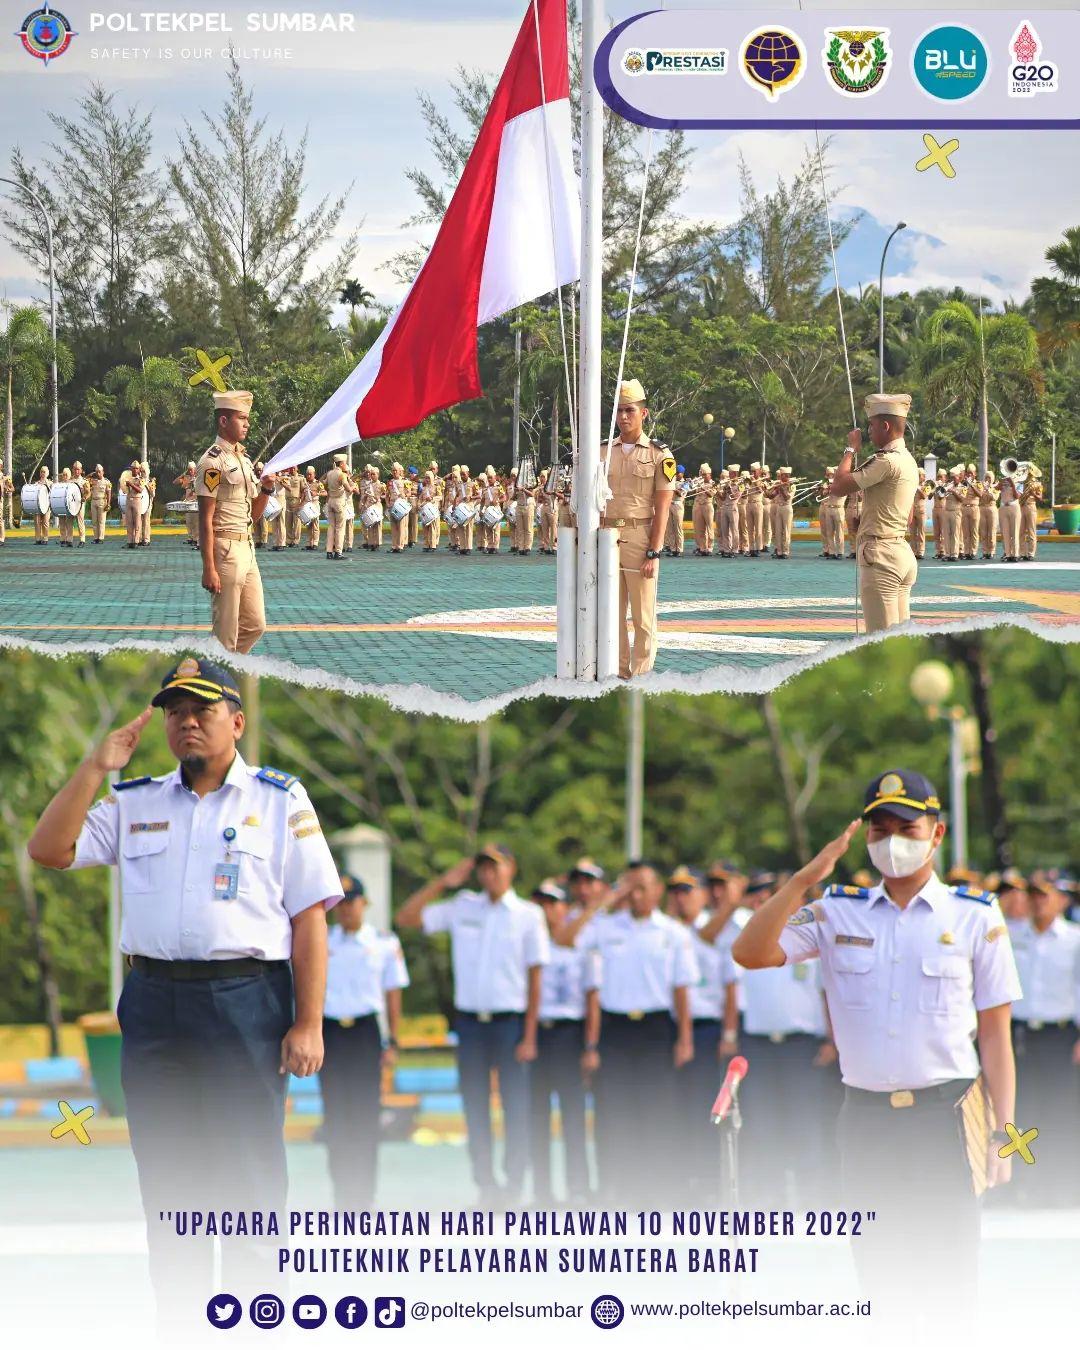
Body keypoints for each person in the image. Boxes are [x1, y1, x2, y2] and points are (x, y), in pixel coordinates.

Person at [26, 657, 342, 1329]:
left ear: (237, 720)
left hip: (245, 1003)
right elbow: (49, 850)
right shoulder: (133, 799)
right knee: (169, 1181)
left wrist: (308, 1022)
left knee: (250, 1177)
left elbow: (309, 917)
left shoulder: (280, 799)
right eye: (174, 712)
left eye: (200, 710)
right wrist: (92, 768)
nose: (186, 722)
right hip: (153, 1004)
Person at [733, 769, 1021, 1326]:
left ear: (936, 835)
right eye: (879, 829)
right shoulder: (835, 912)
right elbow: (749, 952)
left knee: (950, 1273)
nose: (893, 841)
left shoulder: (975, 916)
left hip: (950, 1114)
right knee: (878, 1273)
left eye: (906, 827)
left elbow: (995, 1037)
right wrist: (804, 879)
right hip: (864, 1118)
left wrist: (1006, 1139)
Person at [396, 843, 549, 1205]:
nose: (489, 874)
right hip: (471, 1025)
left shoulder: (528, 915)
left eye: (496, 866)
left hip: (510, 1023)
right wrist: (442, 882)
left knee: (515, 1106)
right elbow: (406, 918)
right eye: (483, 867)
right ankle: (486, 1186)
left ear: (511, 868)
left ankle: (513, 1186)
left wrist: (530, 1035)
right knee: (475, 1106)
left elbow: (535, 979)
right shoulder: (463, 905)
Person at [556, 862, 697, 1208]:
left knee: (656, 1112)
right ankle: (616, 1191)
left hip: (655, 1028)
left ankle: (657, 1193)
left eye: (643, 887)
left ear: (658, 891)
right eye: (630, 888)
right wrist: (601, 902)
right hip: (615, 1029)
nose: (636, 895)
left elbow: (682, 990)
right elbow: (564, 939)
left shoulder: (672, 932)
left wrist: (685, 1038)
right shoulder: (605, 926)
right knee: (613, 1114)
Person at [320, 873, 408, 1208]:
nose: (345, 909)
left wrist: (393, 1040)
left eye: (351, 901)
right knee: (336, 1115)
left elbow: (392, 994)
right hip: (331, 1032)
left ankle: (364, 1196)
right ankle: (342, 1194)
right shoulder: (324, 940)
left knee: (365, 1115)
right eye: (339, 902)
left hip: (365, 1033)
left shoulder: (384, 942)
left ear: (364, 904)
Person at [1006, 870, 1080, 1207]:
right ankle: (1021, 1184)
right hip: (1021, 1033)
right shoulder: (1013, 935)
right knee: (1021, 1111)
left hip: (1060, 1035)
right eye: (1033, 895)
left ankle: (1059, 1183)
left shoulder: (1074, 939)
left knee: (1060, 1111)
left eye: (1045, 895)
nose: (1037, 901)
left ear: (1063, 900)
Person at [667, 866, 738, 1202]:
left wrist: (727, 1033)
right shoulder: (668, 931)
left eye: (688, 891)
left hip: (707, 1028)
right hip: (672, 1029)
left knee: (708, 1109)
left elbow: (729, 988)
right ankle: (681, 1182)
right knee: (676, 1109)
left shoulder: (717, 932)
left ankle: (711, 1185)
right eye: (676, 891)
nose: (681, 898)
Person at [600, 379, 677, 679]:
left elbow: (663, 507)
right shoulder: (603, 451)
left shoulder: (660, 455)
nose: (623, 417)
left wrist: (653, 552)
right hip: (606, 538)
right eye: (618, 411)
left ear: (644, 413)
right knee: (612, 614)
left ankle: (642, 675)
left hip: (639, 537)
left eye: (629, 410)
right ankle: (618, 672)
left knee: (643, 617)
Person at [528, 879, 598, 1205]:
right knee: (537, 1117)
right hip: (538, 1032)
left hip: (570, 1033)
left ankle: (578, 1188)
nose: (546, 910)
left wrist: (590, 1045)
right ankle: (543, 1190)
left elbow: (591, 997)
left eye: (553, 903)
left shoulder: (581, 945)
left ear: (564, 908)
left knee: (573, 1114)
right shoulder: (528, 943)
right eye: (541, 903)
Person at [828, 394, 919, 633]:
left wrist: (850, 449)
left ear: (885, 426)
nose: (868, 430)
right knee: (899, 639)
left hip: (882, 557)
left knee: (881, 643)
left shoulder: (886, 461)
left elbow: (837, 487)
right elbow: (908, 517)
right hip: (900, 551)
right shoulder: (908, 460)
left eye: (871, 425)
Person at [196, 390, 277, 655]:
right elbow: (205, 518)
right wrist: (209, 567)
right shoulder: (212, 462)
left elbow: (251, 516)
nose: (247, 424)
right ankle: (218, 682)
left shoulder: (243, 459)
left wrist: (266, 491)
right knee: (225, 632)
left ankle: (223, 667)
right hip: (225, 549)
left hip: (247, 548)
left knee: (255, 624)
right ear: (223, 421)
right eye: (241, 418)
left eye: (247, 419)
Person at [323, 453, 351, 560]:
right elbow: (348, 489)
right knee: (340, 528)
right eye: (345, 463)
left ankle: (329, 551)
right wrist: (352, 486)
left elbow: (324, 484)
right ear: (342, 463)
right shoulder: (342, 475)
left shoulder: (329, 473)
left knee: (331, 527)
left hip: (330, 501)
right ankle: (338, 552)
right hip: (339, 502)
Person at [766, 468, 795, 559]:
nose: (781, 477)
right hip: (779, 508)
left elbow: (787, 497)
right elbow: (771, 496)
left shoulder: (792, 485)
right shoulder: (779, 484)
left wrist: (781, 488)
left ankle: (785, 551)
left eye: (783, 475)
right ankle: (779, 551)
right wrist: (765, 490)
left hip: (787, 507)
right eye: (781, 475)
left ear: (787, 476)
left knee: (786, 531)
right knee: (778, 530)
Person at [1019, 467, 1044, 561]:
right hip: (1021, 506)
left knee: (1031, 531)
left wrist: (1033, 494)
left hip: (1031, 506)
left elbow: (1040, 498)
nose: (1027, 473)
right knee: (1021, 531)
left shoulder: (1037, 484)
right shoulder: (1021, 483)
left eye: (1028, 472)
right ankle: (1022, 553)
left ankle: (1031, 553)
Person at [691, 464, 715, 556]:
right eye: (702, 474)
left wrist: (702, 488)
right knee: (699, 528)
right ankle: (702, 547)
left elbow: (711, 495)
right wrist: (693, 484)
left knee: (709, 527)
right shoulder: (699, 482)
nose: (703, 476)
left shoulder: (713, 483)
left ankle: (710, 547)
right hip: (698, 505)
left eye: (705, 475)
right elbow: (692, 491)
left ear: (710, 475)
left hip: (707, 505)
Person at [999, 470, 1022, 562]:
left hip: (1014, 507)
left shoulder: (1020, 482)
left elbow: (1017, 496)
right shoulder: (1003, 481)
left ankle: (1015, 554)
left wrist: (1012, 483)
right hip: (1003, 507)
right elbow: (997, 488)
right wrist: (1002, 481)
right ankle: (1008, 554)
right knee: (1005, 532)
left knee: (1015, 531)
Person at [977, 471, 1000, 560]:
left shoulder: (996, 488)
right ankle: (984, 552)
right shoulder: (981, 487)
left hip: (992, 509)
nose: (988, 480)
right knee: (983, 532)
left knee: (992, 531)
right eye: (986, 478)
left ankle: (991, 551)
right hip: (982, 509)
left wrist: (989, 489)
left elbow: (995, 497)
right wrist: (983, 488)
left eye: (989, 478)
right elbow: (979, 496)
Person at [88, 465, 111, 543]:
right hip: (94, 501)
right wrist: (91, 474)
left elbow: (109, 492)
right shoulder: (93, 481)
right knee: (94, 521)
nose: (98, 473)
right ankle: (95, 538)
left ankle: (101, 538)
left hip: (102, 501)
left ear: (103, 472)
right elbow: (85, 481)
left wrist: (108, 503)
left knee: (101, 521)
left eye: (99, 472)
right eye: (96, 472)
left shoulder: (106, 481)